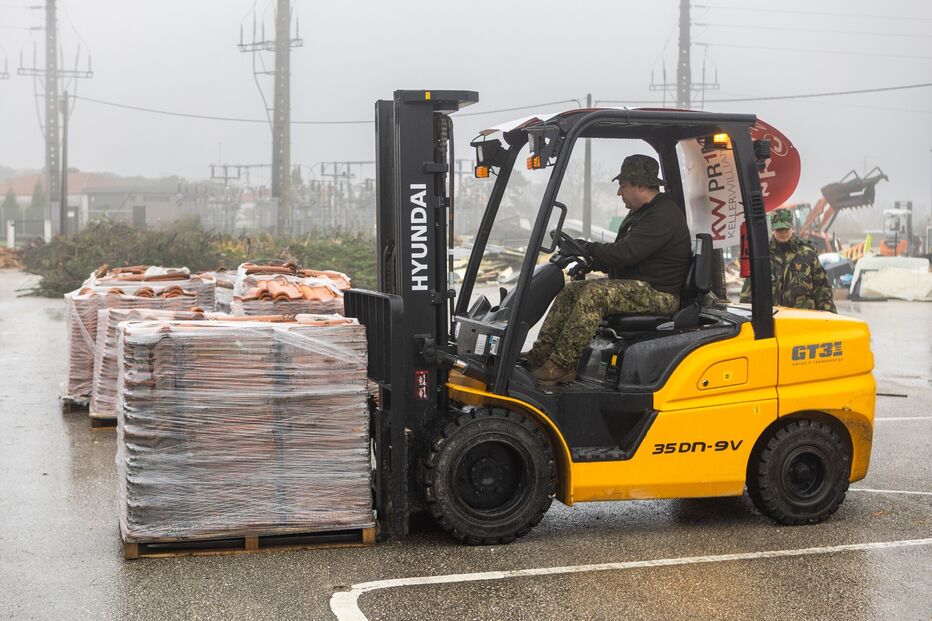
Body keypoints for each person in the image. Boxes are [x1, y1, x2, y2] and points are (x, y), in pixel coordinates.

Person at [526, 154, 692, 385]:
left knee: (593, 295)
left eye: (623, 186)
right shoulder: (643, 212)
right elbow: (622, 256)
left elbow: (626, 253)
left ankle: (562, 366)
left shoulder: (663, 216)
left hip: (659, 294)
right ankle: (540, 355)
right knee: (571, 290)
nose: (619, 192)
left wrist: (588, 248)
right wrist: (590, 259)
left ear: (641, 185)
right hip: (640, 287)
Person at [739, 208, 836, 313]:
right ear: (773, 230)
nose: (783, 233)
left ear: (792, 228)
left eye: (786, 229)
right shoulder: (762, 257)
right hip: (772, 321)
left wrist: (830, 318)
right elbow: (748, 294)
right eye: (779, 230)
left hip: (804, 320)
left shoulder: (807, 255)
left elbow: (822, 289)